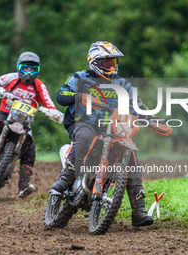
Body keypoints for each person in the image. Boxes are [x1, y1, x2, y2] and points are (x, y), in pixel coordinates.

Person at [51, 41, 171, 227]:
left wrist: (153, 119)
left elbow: (137, 105)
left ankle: (138, 210)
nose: (111, 67)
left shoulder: (123, 84)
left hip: (114, 127)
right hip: (84, 124)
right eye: (107, 63)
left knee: (131, 155)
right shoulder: (79, 78)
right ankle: (66, 176)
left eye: (113, 63)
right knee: (84, 138)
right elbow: (60, 96)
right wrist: (78, 96)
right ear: (94, 62)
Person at [0, 51, 60, 197]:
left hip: (25, 121)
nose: (28, 72)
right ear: (18, 67)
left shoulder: (39, 86)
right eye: (25, 68)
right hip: (5, 113)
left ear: (38, 70)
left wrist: (54, 113)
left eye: (32, 69)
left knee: (30, 148)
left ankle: (23, 185)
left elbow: (50, 105)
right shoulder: (11, 78)